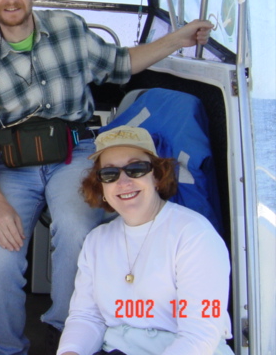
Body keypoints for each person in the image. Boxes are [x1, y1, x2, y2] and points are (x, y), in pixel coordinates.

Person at [0, 0, 214, 354]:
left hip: (73, 154)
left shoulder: (69, 29)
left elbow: (121, 64)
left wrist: (178, 39)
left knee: (77, 231)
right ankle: (7, 348)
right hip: (14, 169)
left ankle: (67, 333)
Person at [57, 125, 233, 355]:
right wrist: (70, 351)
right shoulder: (96, 241)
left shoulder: (194, 234)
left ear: (158, 176)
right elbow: (86, 317)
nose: (123, 181)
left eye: (136, 169)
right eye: (109, 174)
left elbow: (200, 337)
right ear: (101, 186)